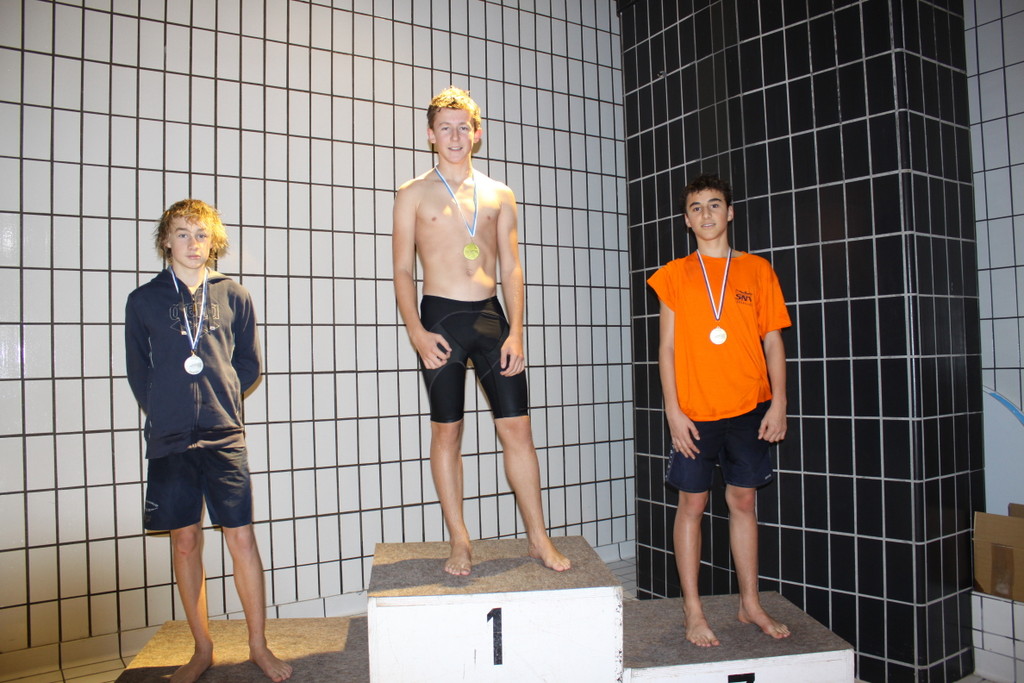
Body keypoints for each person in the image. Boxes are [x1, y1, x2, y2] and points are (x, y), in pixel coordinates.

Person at [391, 86, 571, 576]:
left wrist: (517, 333)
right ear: (430, 135)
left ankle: (538, 538)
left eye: (463, 128)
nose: (454, 136)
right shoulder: (412, 194)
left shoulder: (498, 194)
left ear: (477, 133)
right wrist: (416, 332)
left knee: (518, 429)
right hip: (440, 320)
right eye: (445, 128)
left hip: (491, 319)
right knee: (447, 431)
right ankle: (460, 541)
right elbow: (403, 270)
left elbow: (511, 266)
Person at [125, 199, 292, 682]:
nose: (192, 243)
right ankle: (202, 649)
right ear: (166, 241)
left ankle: (258, 645)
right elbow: (139, 370)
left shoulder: (234, 295)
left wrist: (220, 398)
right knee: (184, 542)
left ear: (213, 241)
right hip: (171, 438)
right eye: (182, 233)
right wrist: (167, 407)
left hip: (224, 435)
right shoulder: (143, 300)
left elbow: (249, 365)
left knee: (241, 537)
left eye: (201, 234)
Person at [647, 174, 792, 647]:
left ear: (729, 213)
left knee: (744, 502)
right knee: (692, 504)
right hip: (694, 412)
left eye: (714, 205)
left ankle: (750, 604)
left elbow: (773, 340)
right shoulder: (674, 275)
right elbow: (666, 349)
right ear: (686, 220)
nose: (706, 214)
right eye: (696, 208)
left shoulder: (758, 270)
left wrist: (779, 402)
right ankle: (693, 610)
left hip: (749, 407)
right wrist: (673, 411)